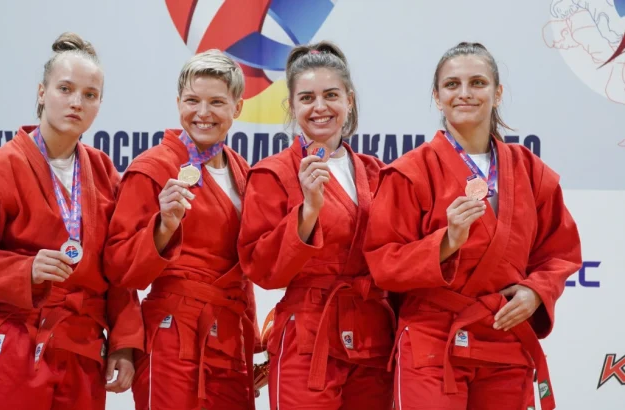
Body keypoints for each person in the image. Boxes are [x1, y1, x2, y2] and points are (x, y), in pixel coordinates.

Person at [363, 42, 583, 410]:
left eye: (478, 83)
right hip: (433, 340)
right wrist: (446, 242)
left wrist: (535, 293)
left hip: (503, 333)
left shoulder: (531, 170)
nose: (464, 93)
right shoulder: (409, 172)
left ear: (497, 93)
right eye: (452, 85)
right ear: (437, 97)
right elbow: (383, 262)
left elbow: (560, 252)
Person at [0, 33, 142, 409]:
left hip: (84, 347)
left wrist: (124, 342)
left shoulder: (104, 172)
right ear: (41, 92)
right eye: (65, 89)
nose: (76, 102)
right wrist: (25, 270)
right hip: (18, 342)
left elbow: (119, 266)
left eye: (90, 94)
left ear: (99, 104)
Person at [238, 41, 395, 410]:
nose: (320, 107)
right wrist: (308, 211)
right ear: (292, 106)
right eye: (307, 98)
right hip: (308, 336)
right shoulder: (272, 173)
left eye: (331, 95)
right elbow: (263, 269)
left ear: (349, 101)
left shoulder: (377, 172)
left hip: (371, 336)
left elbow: (395, 255)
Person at [103, 49, 260, 410]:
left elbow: (245, 268)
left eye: (216, 102)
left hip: (228, 336)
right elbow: (118, 268)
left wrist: (250, 343)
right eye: (192, 101)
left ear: (237, 107)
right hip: (172, 333)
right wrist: (163, 227)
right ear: (178, 104)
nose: (202, 113)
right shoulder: (152, 168)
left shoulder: (242, 170)